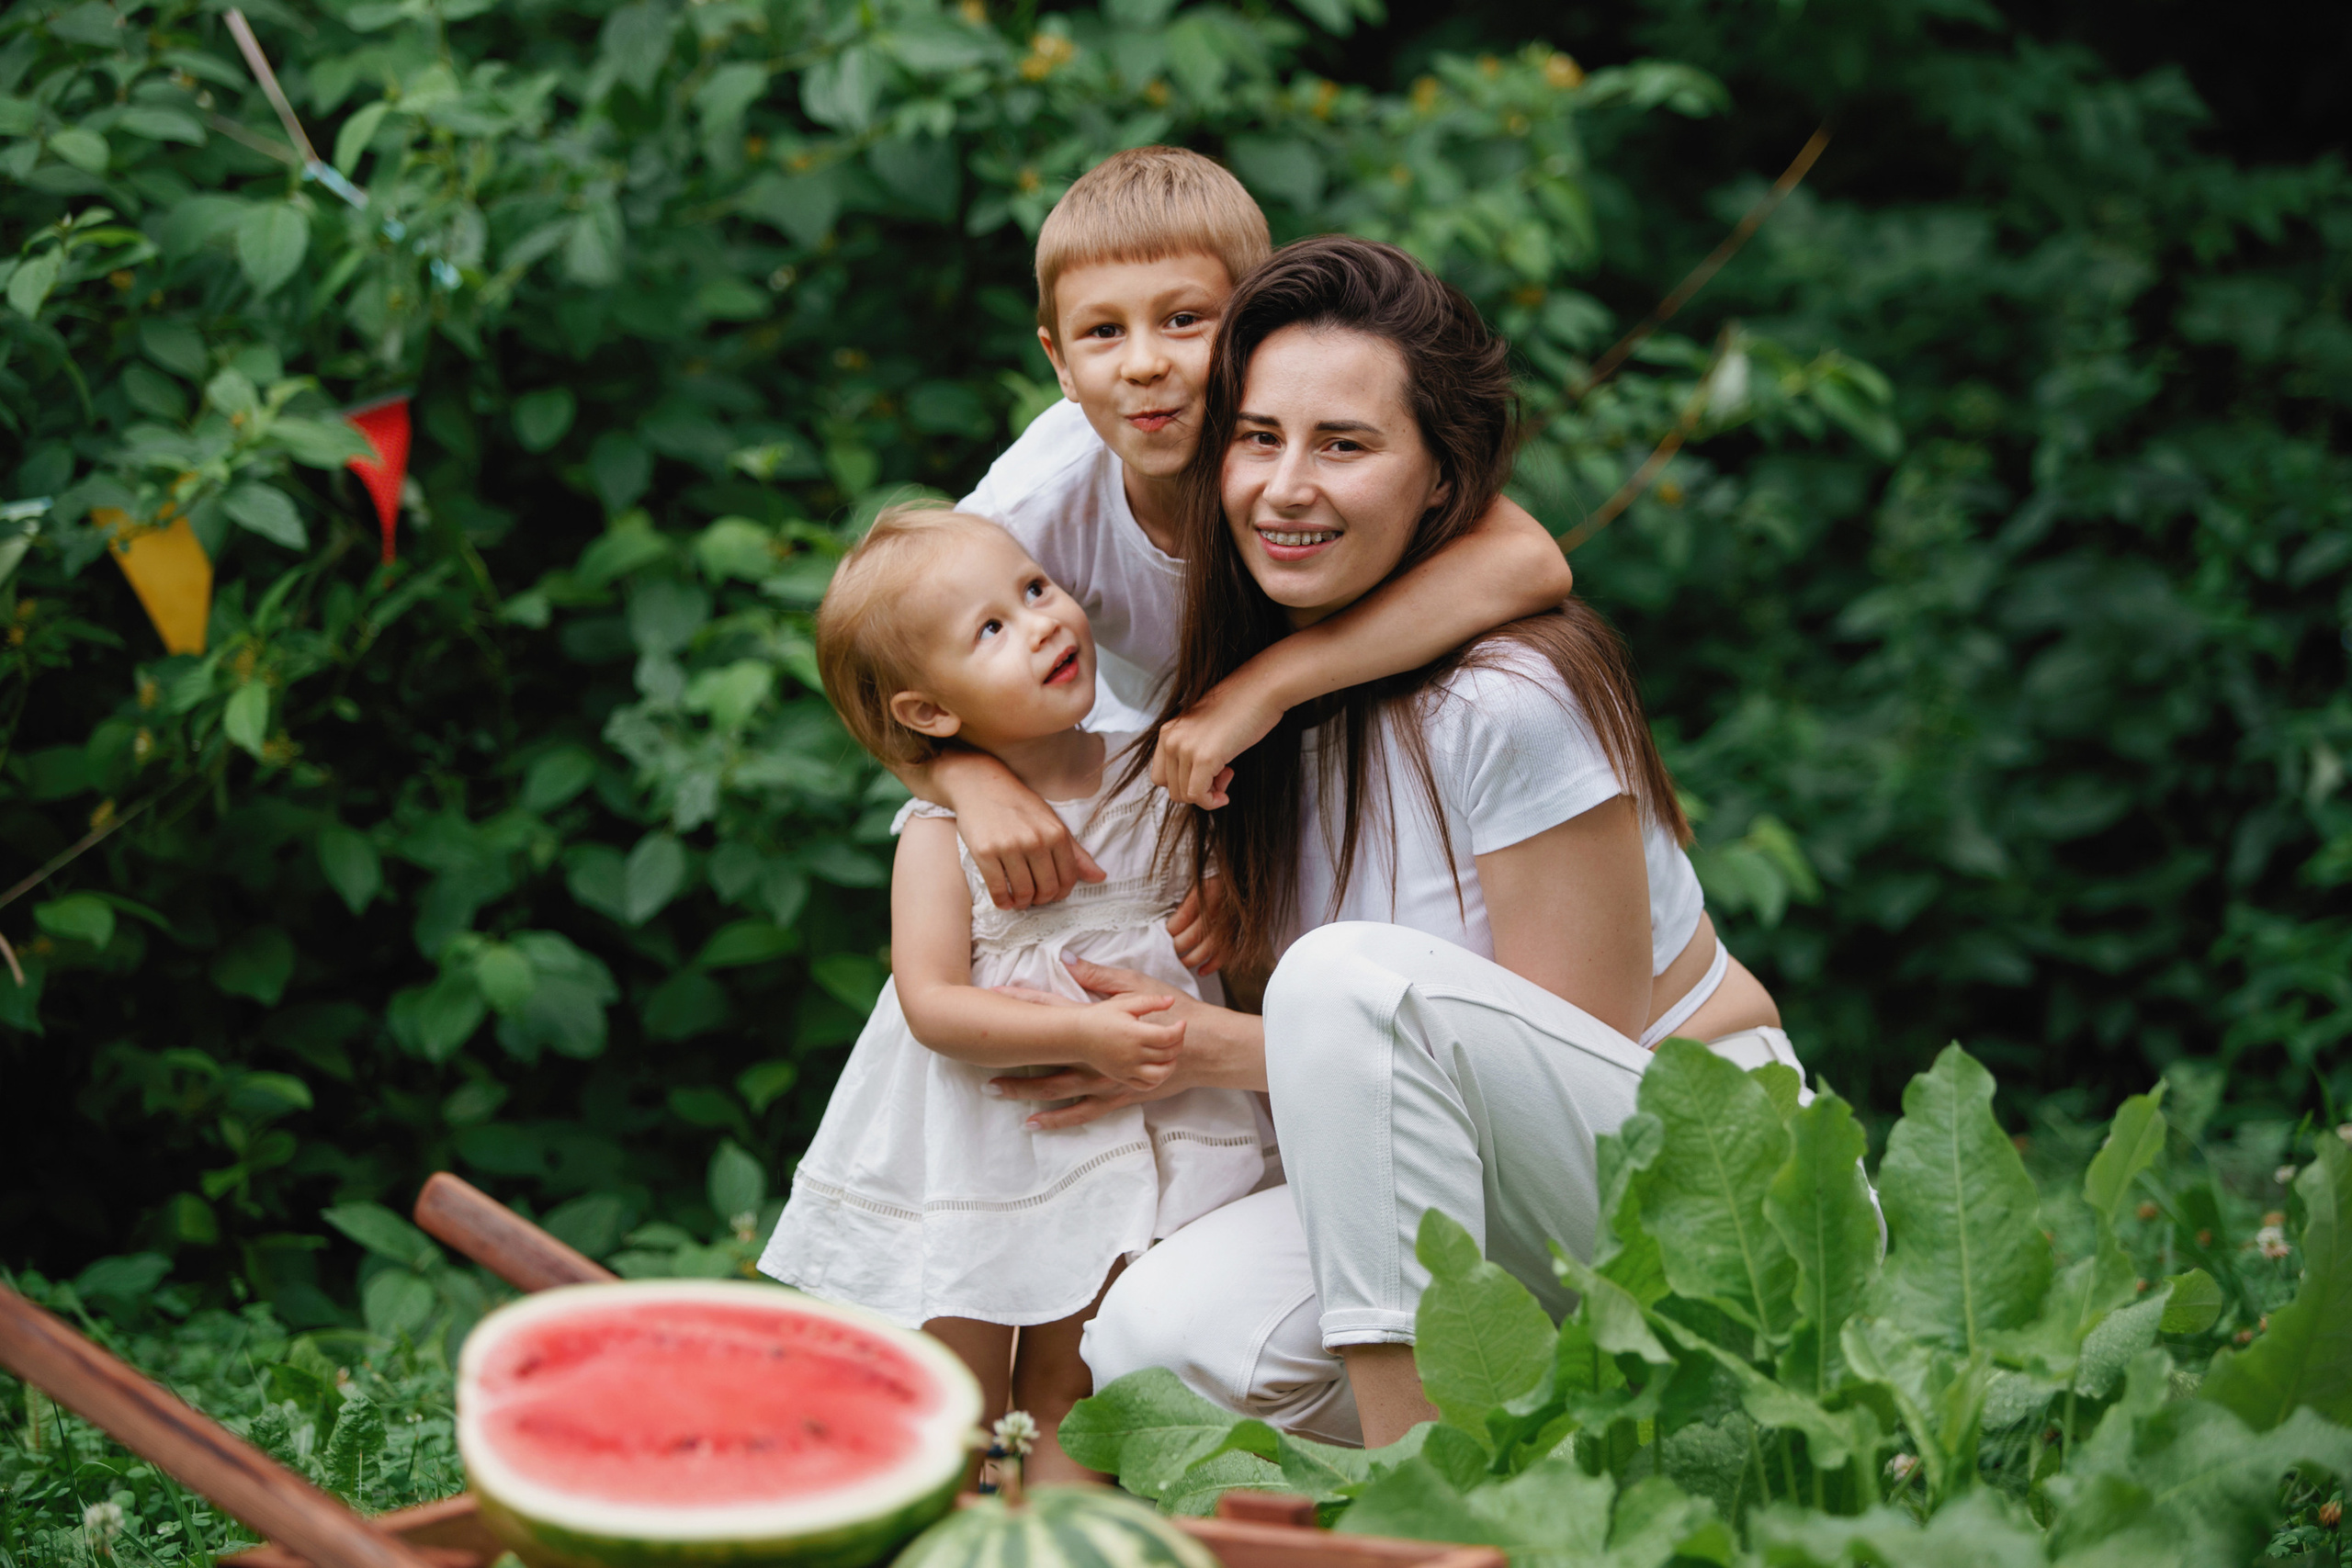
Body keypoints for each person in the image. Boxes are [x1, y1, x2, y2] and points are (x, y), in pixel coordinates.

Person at [982, 236, 1804, 1449]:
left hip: (1710, 1174)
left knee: (1343, 978)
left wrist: (1205, 1046)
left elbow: (1558, 1044)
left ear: (1440, 481)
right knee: (1159, 1336)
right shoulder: (1242, 711)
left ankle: (1420, 1500)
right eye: (1257, 439)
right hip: (1488, 1191)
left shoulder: (1508, 692)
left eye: (1346, 445)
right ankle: (1524, 1436)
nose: (1285, 486)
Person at [899, 145, 1577, 928]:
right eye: (1104, 332)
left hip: (1346, 756)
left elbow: (1529, 558)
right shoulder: (1036, 505)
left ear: (1253, 329)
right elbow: (891, 665)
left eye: (1184, 320)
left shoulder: (1299, 460)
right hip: (1174, 790)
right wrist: (963, 781)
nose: (1145, 364)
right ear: (1058, 362)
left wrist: (1266, 685)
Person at [757, 504, 1268, 1483]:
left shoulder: (1156, 772)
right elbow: (932, 1004)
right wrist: (1086, 1035)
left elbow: (1225, 905)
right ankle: (936, 1532)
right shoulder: (936, 832)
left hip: (1136, 1129)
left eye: (1035, 589)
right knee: (957, 1395)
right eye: (990, 629)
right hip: (991, 1135)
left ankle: (1056, 1538)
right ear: (930, 714)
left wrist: (1230, 898)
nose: (1041, 622)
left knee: (1078, 1385)